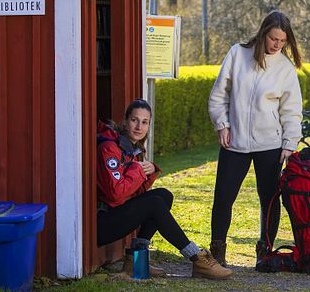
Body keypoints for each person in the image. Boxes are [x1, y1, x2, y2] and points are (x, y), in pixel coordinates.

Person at [96, 99, 233, 280]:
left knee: (163, 196)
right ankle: (196, 257)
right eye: (134, 120)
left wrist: (150, 171)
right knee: (154, 204)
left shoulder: (132, 150)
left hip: (114, 215)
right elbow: (115, 195)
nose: (139, 127)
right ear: (125, 121)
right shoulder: (110, 148)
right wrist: (137, 171)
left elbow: (134, 194)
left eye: (144, 122)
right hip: (101, 223)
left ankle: (136, 261)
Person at [208, 10, 304, 267]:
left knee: (270, 200)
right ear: (263, 34)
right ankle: (217, 251)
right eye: (274, 39)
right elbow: (219, 95)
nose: (277, 45)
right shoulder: (237, 54)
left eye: (283, 41)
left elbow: (292, 110)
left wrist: (289, 144)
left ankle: (266, 250)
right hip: (234, 142)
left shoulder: (285, 68)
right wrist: (222, 125)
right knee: (223, 197)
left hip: (270, 146)